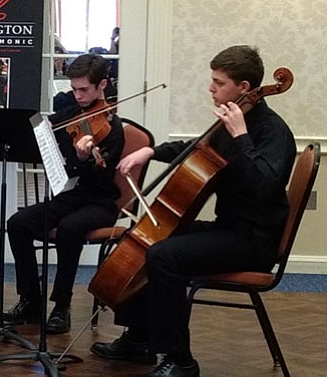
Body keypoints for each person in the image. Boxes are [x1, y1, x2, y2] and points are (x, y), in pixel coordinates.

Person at [90, 45, 296, 377]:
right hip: (228, 228)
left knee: (165, 257)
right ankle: (140, 338)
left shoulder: (271, 131)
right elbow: (195, 149)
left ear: (244, 87)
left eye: (218, 82)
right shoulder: (231, 121)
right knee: (145, 235)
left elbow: (265, 184)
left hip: (254, 240)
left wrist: (241, 136)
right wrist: (150, 151)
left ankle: (181, 361)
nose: (211, 88)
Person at [1, 54, 124, 334]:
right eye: (74, 89)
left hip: (100, 201)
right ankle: (30, 300)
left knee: (70, 229)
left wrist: (84, 159)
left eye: (84, 90)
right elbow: (39, 135)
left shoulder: (112, 128)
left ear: (102, 84)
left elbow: (101, 177)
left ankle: (61, 305)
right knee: (18, 224)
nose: (78, 95)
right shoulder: (70, 113)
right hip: (70, 198)